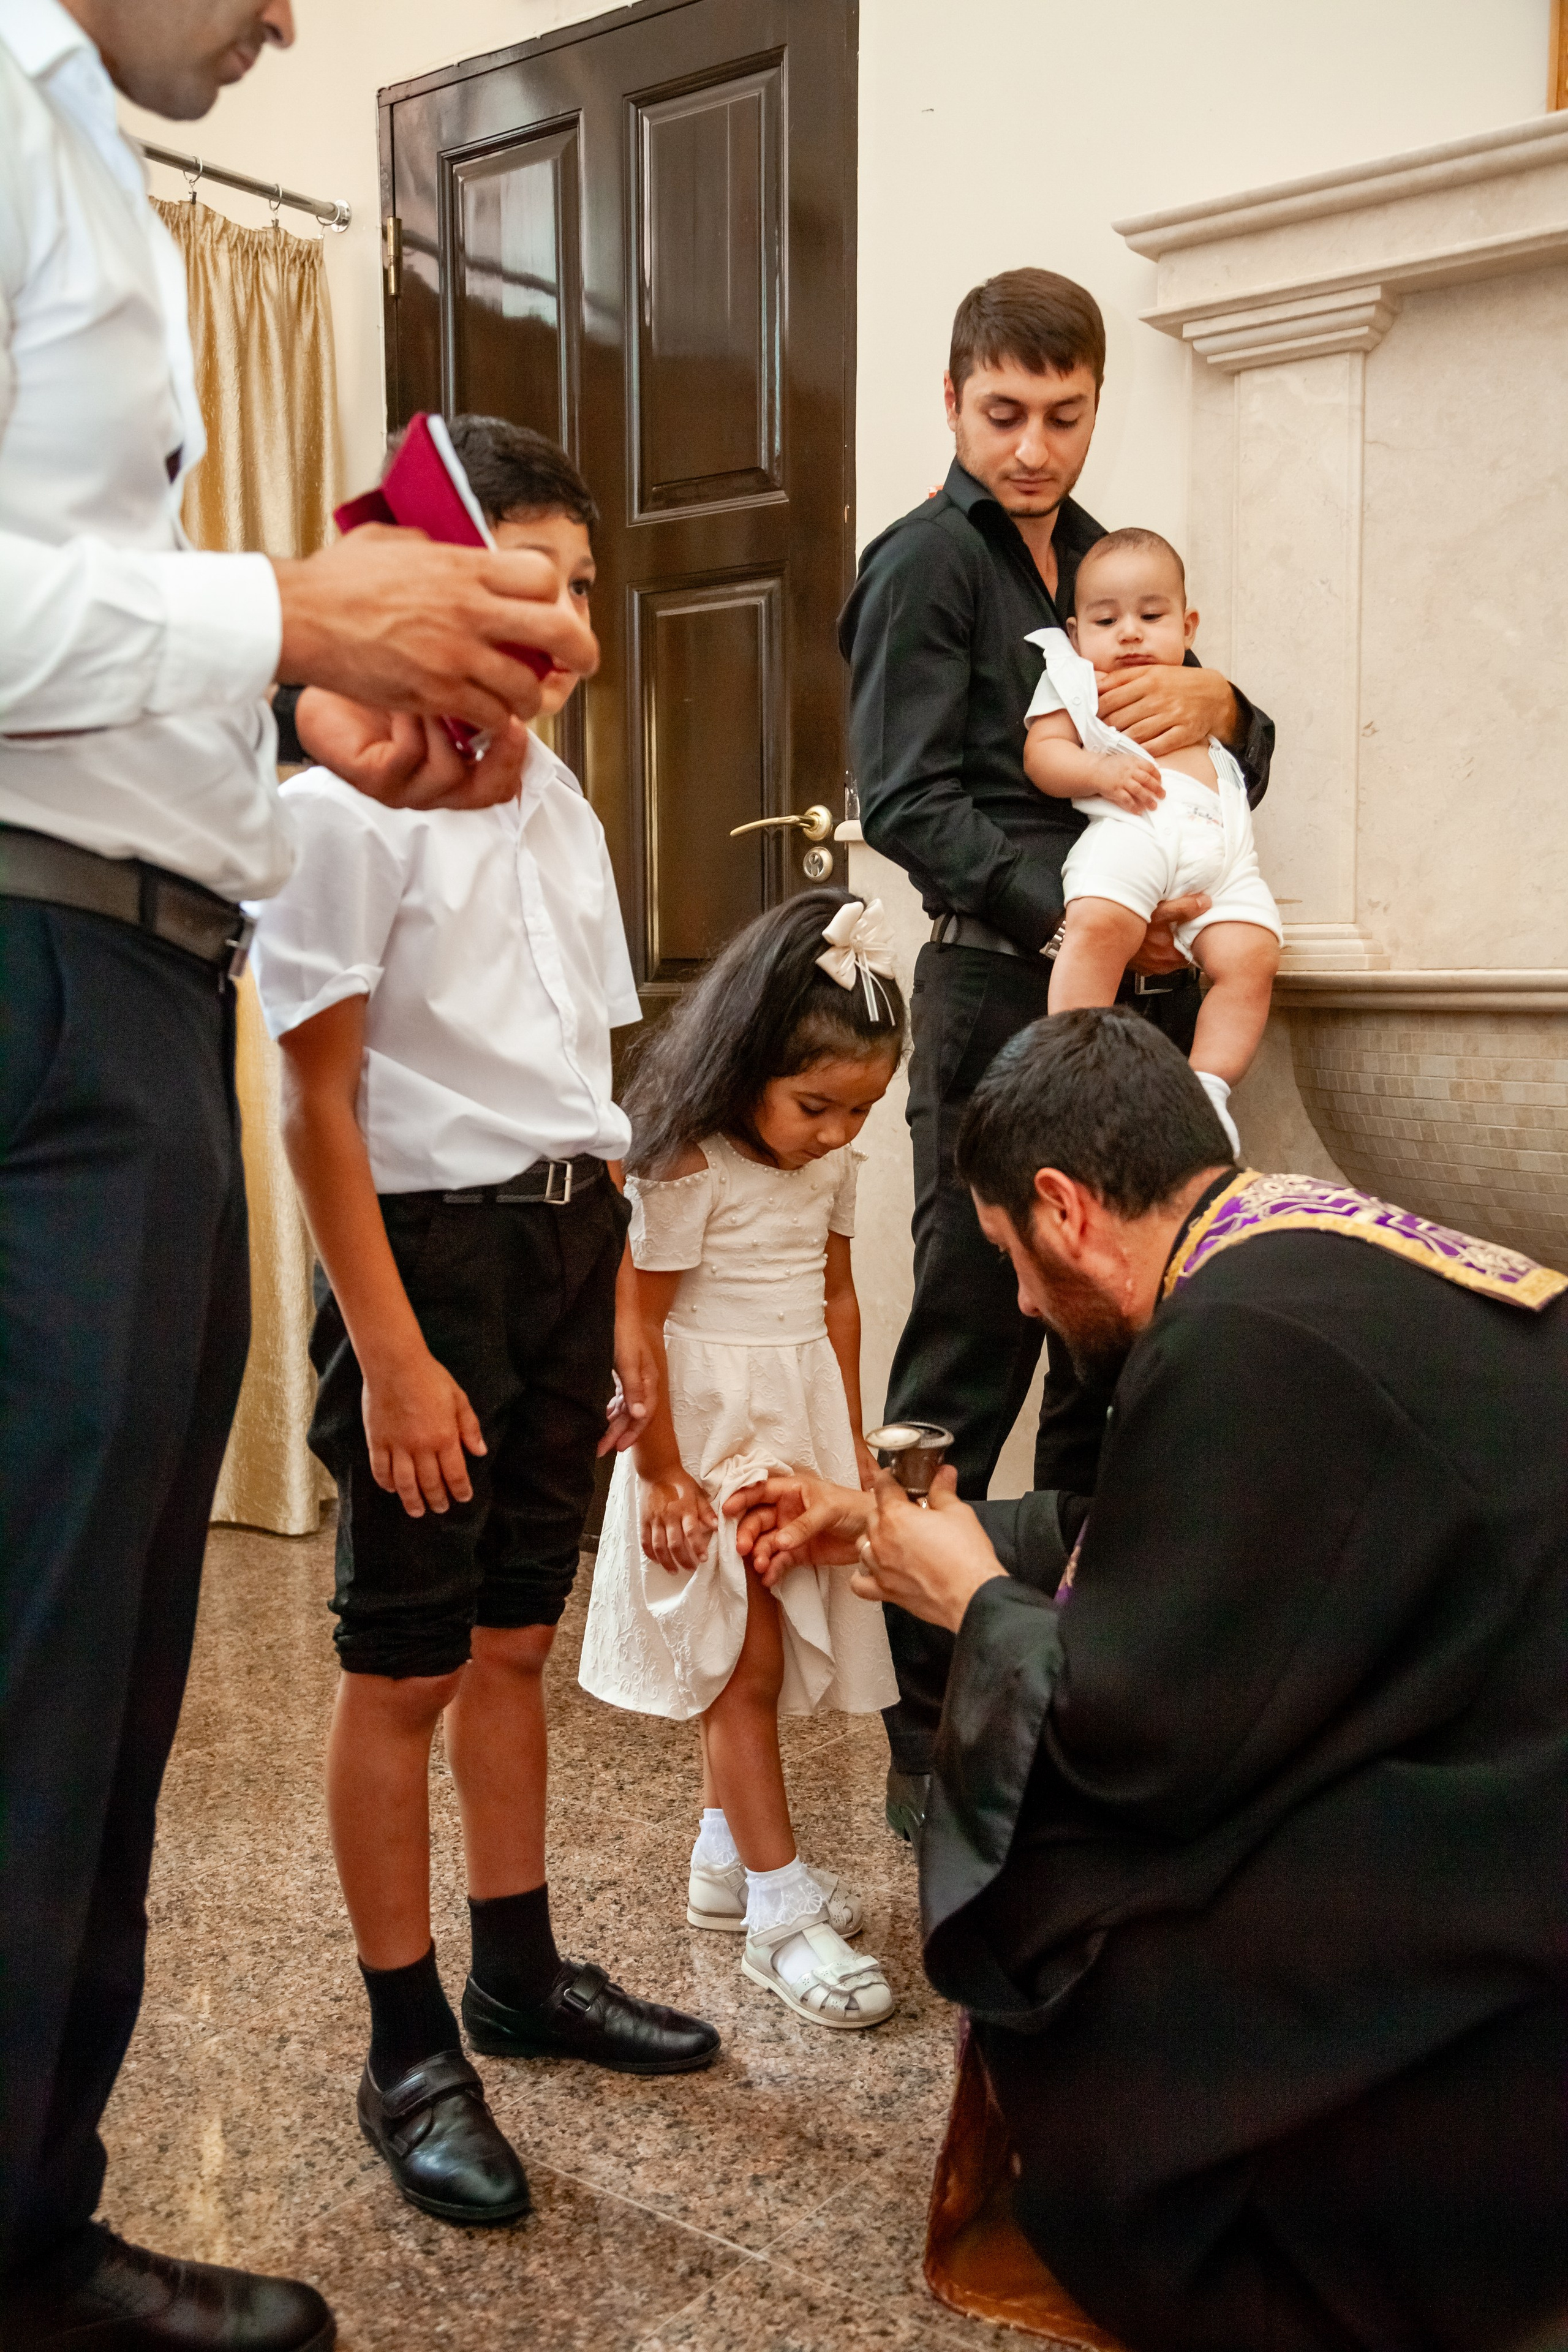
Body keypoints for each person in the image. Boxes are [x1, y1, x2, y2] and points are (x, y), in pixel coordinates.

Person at [1, 5, 600, 2341]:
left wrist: (296, 729)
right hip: (39, 980)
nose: (285, 20)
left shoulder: (90, 155)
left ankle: (32, 2225)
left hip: (140, 976)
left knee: (97, 1705)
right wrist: (285, 609)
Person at [731, 1009, 1568, 2352]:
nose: (1018, 1303)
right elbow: (1186, 1540)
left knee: (1105, 1958)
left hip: (1492, 1882)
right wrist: (889, 1523)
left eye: (1009, 1257)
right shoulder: (1294, 1253)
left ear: (1063, 1208)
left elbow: (1134, 1732)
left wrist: (971, 1603)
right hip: (1504, 1742)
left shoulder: (1231, 1337)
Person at [249, 418, 720, 2230]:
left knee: (514, 1637)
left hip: (564, 1243)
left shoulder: (554, 793)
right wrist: (388, 1352)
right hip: (425, 1260)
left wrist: (620, 1310)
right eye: (534, 585)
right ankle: (406, 2041)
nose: (571, 627)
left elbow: (579, 1073)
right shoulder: (340, 801)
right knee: (406, 1661)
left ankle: (517, 1968)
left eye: (586, 586)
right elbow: (316, 1106)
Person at [837, 265, 1276, 1832]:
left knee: (1117, 1358)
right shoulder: (920, 564)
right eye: (1003, 413)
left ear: (1096, 406)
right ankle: (924, 1737)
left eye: (1064, 415)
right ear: (952, 401)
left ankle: (1086, 1695)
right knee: (965, 1360)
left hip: (1134, 1002)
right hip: (993, 989)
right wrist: (1081, 919)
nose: (1032, 448)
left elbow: (1223, 749)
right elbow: (905, 803)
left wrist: (1228, 706)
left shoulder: (1106, 565)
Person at [579, 892, 903, 2032]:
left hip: (795, 1411)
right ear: (747, 1062)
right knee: (743, 1663)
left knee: (754, 1647)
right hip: (707, 1426)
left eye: (862, 1110)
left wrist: (849, 1443)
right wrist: (662, 1472)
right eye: (817, 1105)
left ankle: (726, 1862)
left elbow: (838, 1296)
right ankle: (778, 1911)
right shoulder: (689, 1163)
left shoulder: (827, 1169)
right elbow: (638, 1319)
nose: (838, 1133)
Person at [1023, 527, 1281, 1153]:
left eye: (1151, 616)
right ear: (1076, 633)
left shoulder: (1198, 691)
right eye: (1106, 620)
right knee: (1098, 925)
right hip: (1133, 835)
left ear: (1187, 627)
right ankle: (1073, 1066)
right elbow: (1043, 753)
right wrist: (1097, 771)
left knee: (1252, 957)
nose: (1130, 634)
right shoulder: (1076, 680)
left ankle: (1208, 1087)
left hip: (1221, 850)